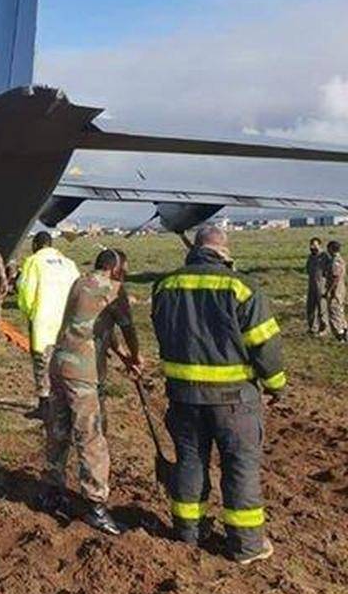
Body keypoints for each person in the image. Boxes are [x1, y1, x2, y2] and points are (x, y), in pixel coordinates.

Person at [151, 224, 285, 566]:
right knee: (239, 468)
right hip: (234, 402)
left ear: (196, 249)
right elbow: (265, 346)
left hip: (182, 399)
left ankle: (187, 535)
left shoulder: (165, 286)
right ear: (224, 252)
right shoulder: (242, 288)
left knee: (190, 463)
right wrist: (275, 385)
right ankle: (246, 546)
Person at [44, 249, 141, 535]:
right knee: (91, 438)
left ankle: (52, 491)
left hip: (59, 366)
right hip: (83, 375)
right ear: (114, 268)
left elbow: (97, 326)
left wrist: (122, 356)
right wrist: (135, 357)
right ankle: (96, 506)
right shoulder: (113, 289)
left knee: (58, 431)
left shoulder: (80, 283)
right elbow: (128, 327)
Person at [17, 231, 79, 419]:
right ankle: (68, 405)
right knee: (66, 365)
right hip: (67, 324)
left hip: (44, 323)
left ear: (36, 245)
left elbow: (26, 292)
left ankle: (44, 405)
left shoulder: (34, 262)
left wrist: (30, 313)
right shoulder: (69, 264)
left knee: (42, 365)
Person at [305, 237, 329, 336]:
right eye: (311, 245)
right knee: (310, 307)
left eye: (315, 245)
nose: (312, 247)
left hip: (322, 285)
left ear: (319, 245)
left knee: (322, 307)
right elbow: (308, 269)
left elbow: (329, 271)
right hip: (311, 285)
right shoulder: (310, 257)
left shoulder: (324, 256)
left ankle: (324, 328)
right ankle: (312, 328)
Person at [325, 240, 346, 342]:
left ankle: (340, 336)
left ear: (331, 249)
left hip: (335, 291)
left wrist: (329, 291)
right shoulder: (340, 259)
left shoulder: (335, 261)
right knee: (340, 312)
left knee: (334, 313)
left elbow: (335, 278)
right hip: (341, 290)